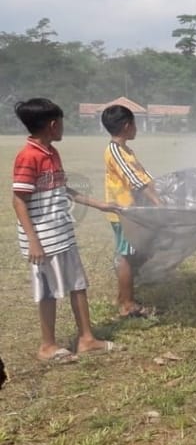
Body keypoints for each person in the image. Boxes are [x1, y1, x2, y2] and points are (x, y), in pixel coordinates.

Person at [12, 98, 122, 362]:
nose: (63, 127)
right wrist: (33, 241)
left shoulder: (51, 152)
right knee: (48, 291)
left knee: (78, 285)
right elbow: (18, 200)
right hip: (44, 238)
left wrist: (99, 204)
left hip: (62, 232)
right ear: (52, 125)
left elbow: (63, 190)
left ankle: (87, 339)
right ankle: (47, 346)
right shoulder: (28, 157)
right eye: (61, 123)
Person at [101, 105, 161, 318]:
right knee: (126, 255)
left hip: (134, 210)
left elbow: (143, 174)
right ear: (127, 126)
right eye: (134, 123)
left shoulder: (126, 150)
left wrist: (158, 189)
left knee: (135, 252)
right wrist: (157, 202)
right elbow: (133, 179)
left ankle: (122, 295)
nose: (136, 128)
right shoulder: (115, 151)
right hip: (124, 212)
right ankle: (127, 304)